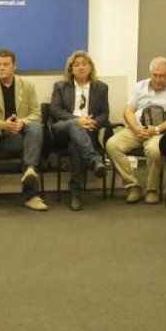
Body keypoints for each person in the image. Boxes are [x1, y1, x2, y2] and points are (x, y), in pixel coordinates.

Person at [104, 57, 166, 205]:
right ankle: (132, 186)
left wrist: (156, 129)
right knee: (112, 145)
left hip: (161, 132)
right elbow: (128, 110)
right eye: (155, 75)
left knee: (154, 150)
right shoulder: (139, 87)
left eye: (162, 76)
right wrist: (136, 128)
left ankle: (152, 189)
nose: (158, 79)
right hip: (137, 129)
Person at [0, 48, 47, 211]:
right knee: (31, 143)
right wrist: (2, 125)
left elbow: (36, 114)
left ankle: (29, 171)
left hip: (23, 132)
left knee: (34, 129)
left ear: (14, 66)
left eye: (5, 64)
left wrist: (22, 122)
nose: (1, 68)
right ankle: (32, 192)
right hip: (0, 137)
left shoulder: (27, 85)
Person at [49, 50, 110, 211]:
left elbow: (105, 114)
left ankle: (75, 193)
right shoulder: (61, 86)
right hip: (62, 129)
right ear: (71, 69)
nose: (81, 67)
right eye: (76, 65)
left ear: (91, 67)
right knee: (73, 125)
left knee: (76, 146)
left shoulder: (101, 88)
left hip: (86, 132)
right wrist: (78, 121)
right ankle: (94, 159)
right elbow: (55, 110)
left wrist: (93, 123)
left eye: (84, 64)